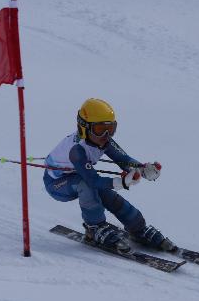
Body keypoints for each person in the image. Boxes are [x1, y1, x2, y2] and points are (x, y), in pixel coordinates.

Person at [43, 98, 175, 253]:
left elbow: (123, 159)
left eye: (111, 128)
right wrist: (121, 182)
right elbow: (93, 181)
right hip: (57, 184)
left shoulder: (103, 141)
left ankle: (138, 228)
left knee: (108, 196)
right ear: (84, 128)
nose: (106, 135)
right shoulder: (77, 150)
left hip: (80, 175)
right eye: (100, 129)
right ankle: (94, 228)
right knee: (87, 185)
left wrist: (142, 169)